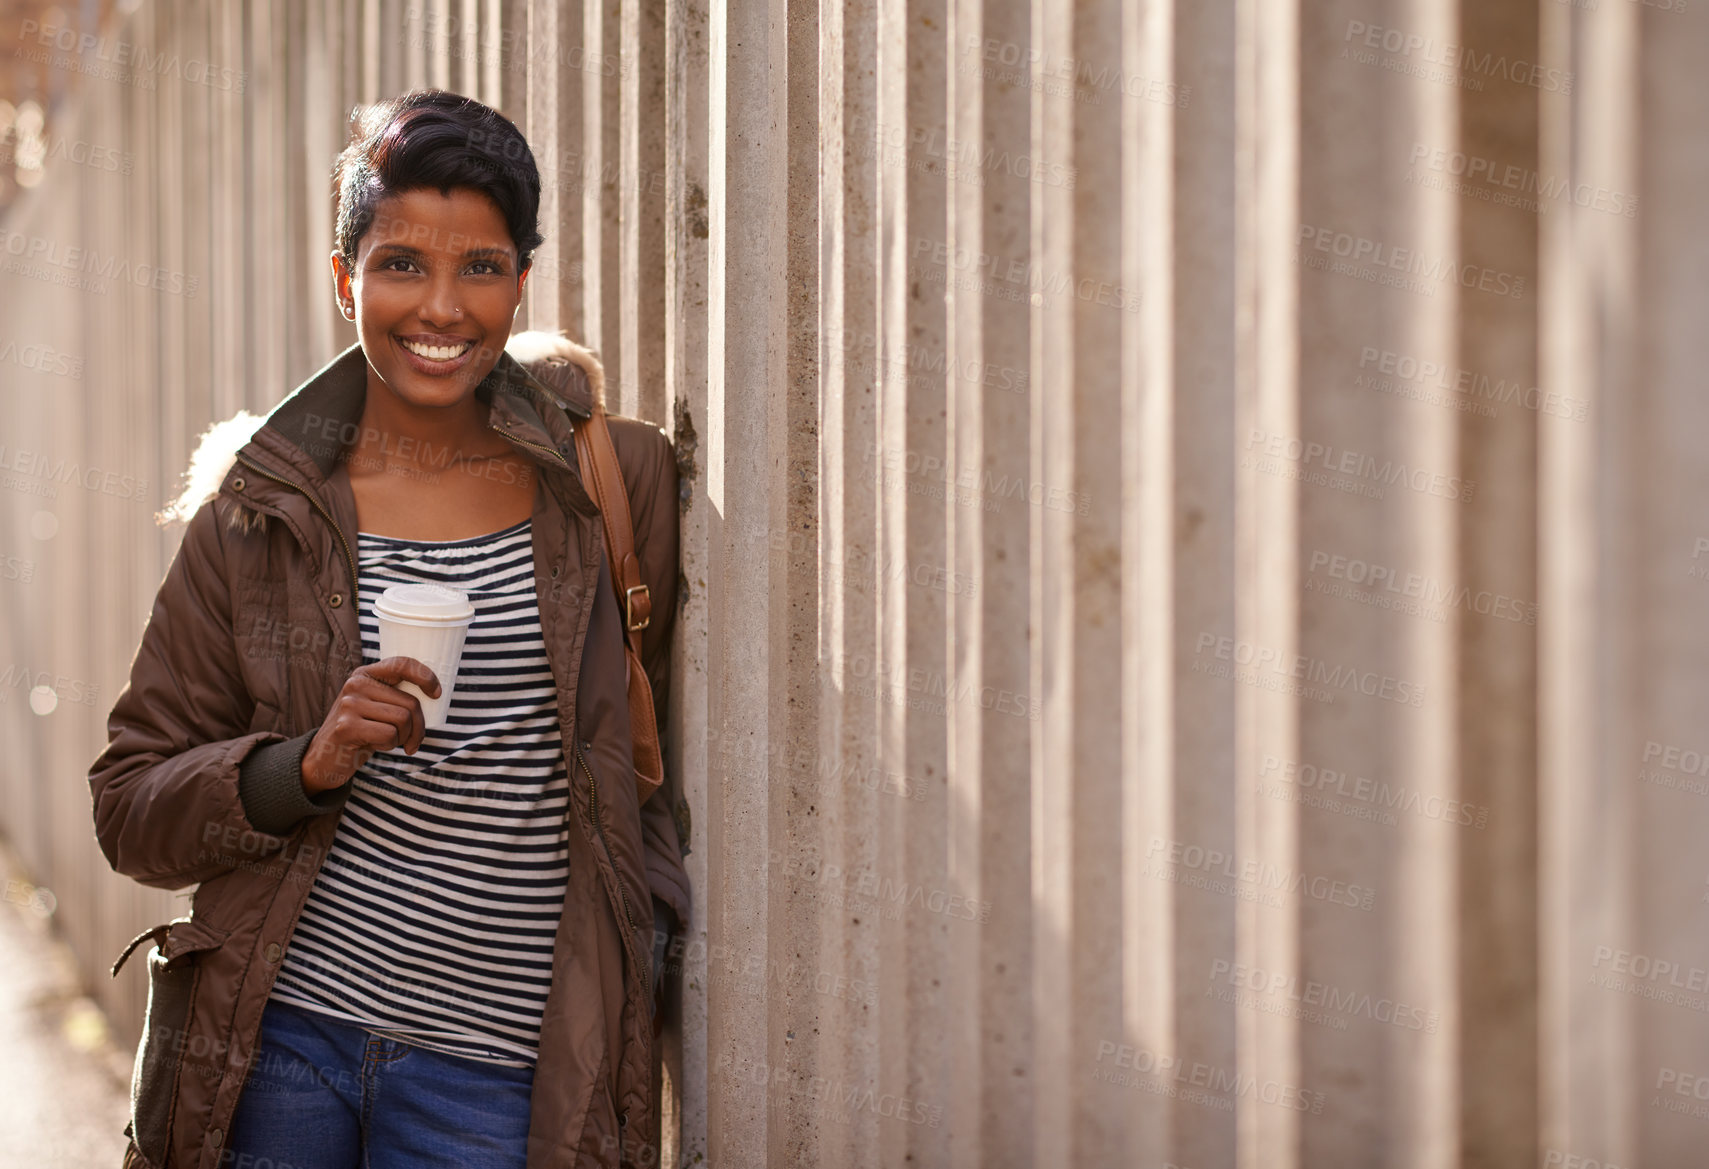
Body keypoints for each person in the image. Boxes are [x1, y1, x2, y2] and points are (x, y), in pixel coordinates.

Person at [87, 88, 689, 1169]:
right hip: (280, 1046)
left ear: (521, 282)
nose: (443, 308)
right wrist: (298, 766)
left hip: (497, 1070)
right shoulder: (256, 510)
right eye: (402, 264)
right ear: (343, 279)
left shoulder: (612, 483)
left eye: (482, 267)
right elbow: (130, 803)